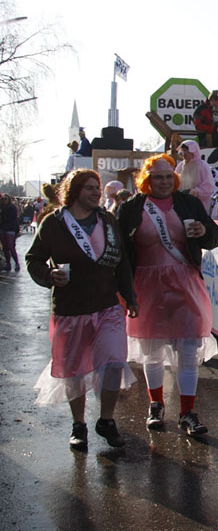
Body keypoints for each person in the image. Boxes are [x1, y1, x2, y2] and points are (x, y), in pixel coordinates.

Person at [25, 169, 139, 449]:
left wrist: (130, 296)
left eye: (97, 188)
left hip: (107, 305)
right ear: (74, 191)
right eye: (89, 188)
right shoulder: (54, 223)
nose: (96, 193)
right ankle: (79, 424)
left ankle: (107, 420)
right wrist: (49, 275)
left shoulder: (107, 220)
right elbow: (33, 259)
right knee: (74, 370)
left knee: (114, 361)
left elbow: (122, 261)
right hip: (70, 308)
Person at [117, 154, 218, 436]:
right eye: (157, 177)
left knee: (187, 352)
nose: (163, 182)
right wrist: (123, 291)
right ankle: (156, 406)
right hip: (146, 286)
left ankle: (187, 413)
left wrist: (204, 231)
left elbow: (215, 237)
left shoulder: (188, 203)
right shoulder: (131, 208)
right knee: (152, 352)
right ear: (147, 180)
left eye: (167, 177)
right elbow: (120, 252)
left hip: (184, 283)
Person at [175, 140, 216, 213]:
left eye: (186, 150)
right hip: (182, 203)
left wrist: (196, 191)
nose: (184, 153)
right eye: (183, 150)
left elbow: (209, 187)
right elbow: (175, 181)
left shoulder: (202, 166)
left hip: (199, 204)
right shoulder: (180, 166)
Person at [1, 194, 20, 272]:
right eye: (2, 199)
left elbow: (13, 218)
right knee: (5, 247)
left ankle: (17, 263)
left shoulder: (12, 207)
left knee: (11, 247)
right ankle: (8, 264)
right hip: (2, 228)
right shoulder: (1, 207)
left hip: (10, 229)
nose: (4, 200)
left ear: (8, 199)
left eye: (5, 199)